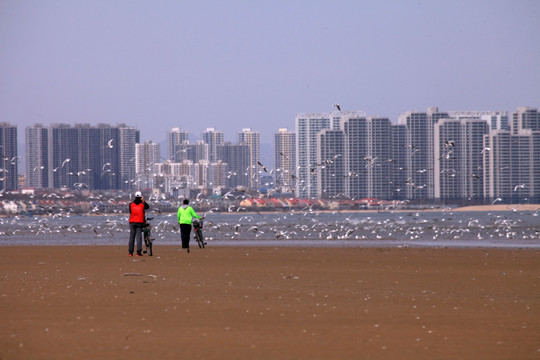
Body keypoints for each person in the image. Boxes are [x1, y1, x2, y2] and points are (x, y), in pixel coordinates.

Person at [128, 191, 149, 257]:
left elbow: (130, 212)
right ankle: (138, 252)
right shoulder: (142, 204)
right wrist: (143, 201)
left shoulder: (131, 204)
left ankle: (130, 252)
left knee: (132, 237)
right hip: (139, 222)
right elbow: (148, 207)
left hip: (132, 222)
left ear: (134, 197)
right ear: (140, 197)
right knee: (138, 237)